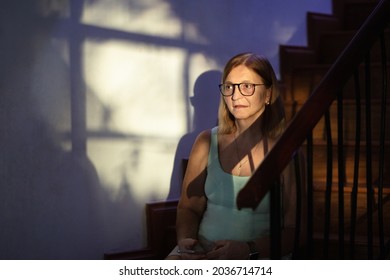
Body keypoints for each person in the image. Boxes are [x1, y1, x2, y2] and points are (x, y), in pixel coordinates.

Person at [166, 52, 300, 260]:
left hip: (258, 258)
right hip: (203, 253)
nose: (235, 96)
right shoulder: (205, 142)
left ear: (268, 94)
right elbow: (188, 207)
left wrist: (248, 250)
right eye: (229, 87)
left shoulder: (285, 150)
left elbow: (296, 231)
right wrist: (186, 241)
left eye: (247, 86)